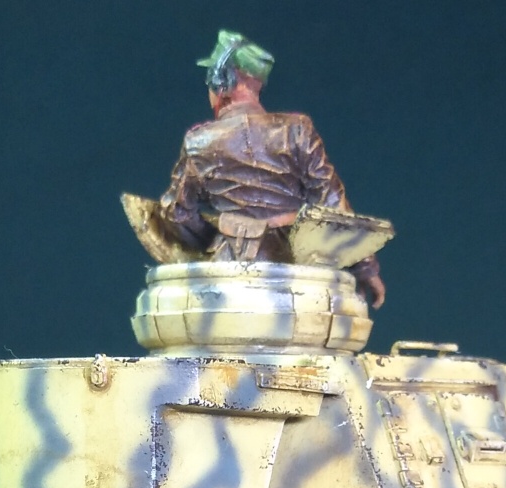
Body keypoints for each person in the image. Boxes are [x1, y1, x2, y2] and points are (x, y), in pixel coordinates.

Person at [160, 31, 385, 308]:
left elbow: (177, 212)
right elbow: (332, 202)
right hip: (295, 269)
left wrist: (212, 237)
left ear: (222, 81)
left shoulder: (199, 141)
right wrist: (364, 267)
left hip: (227, 274)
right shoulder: (297, 130)